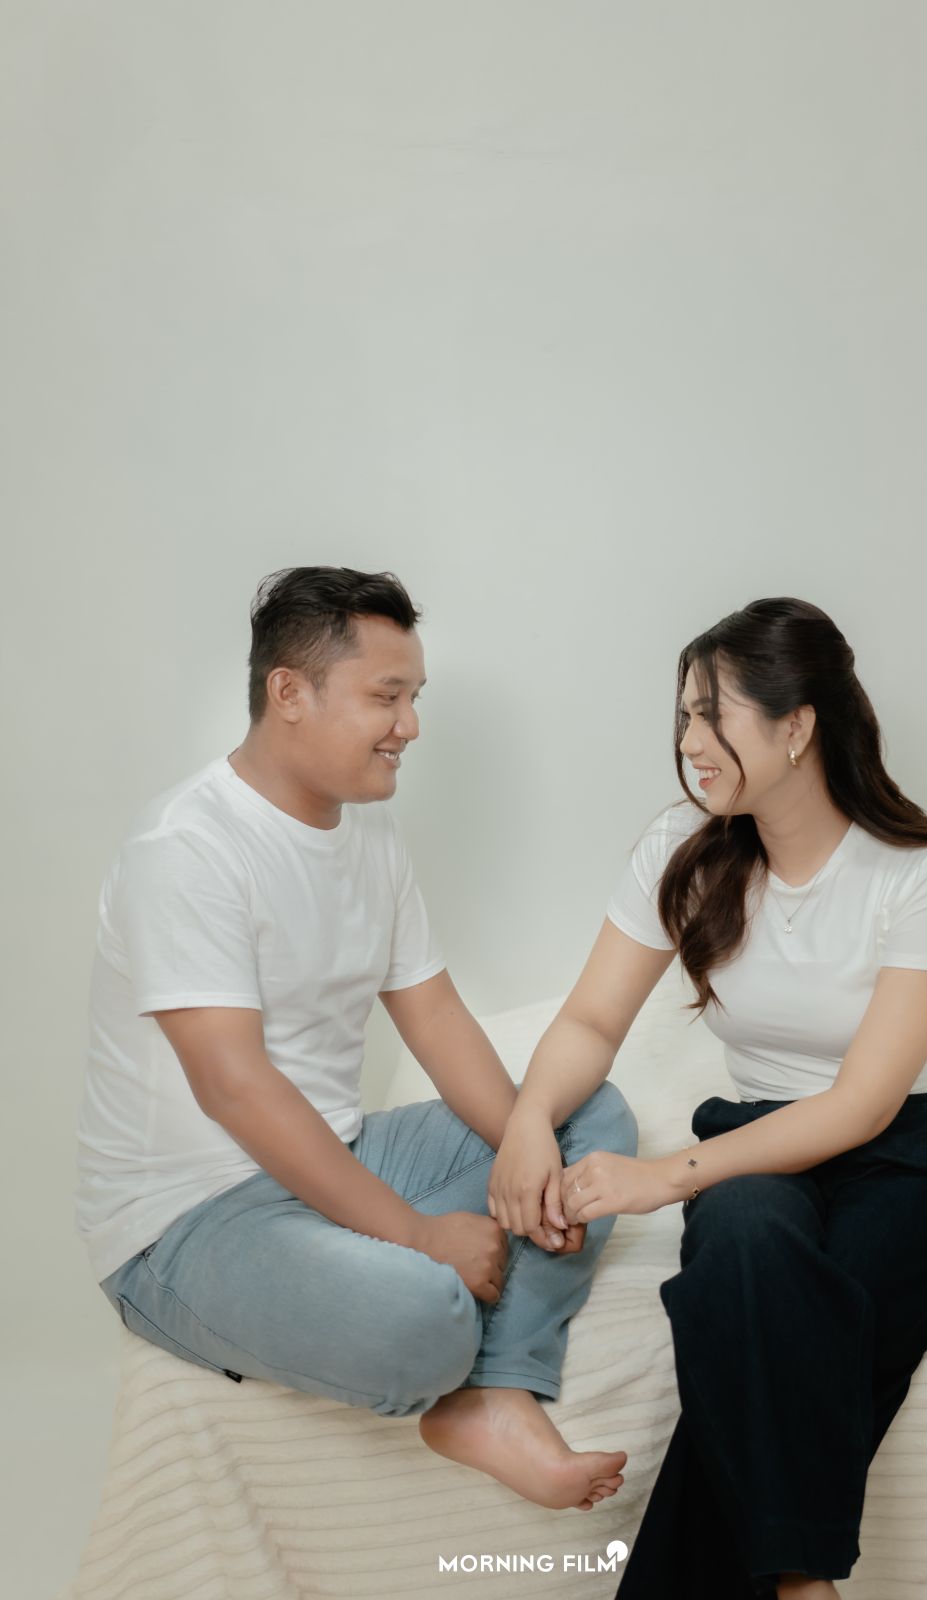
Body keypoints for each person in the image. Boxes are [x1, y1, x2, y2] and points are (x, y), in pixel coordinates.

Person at [74, 564, 638, 1512]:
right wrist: (417, 1236)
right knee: (423, 1316)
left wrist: (524, 1144)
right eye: (386, 696)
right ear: (288, 693)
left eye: (414, 697)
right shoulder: (185, 849)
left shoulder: (371, 836)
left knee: (588, 1118)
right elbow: (234, 1086)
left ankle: (496, 1391)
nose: (409, 726)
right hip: (187, 1220)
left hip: (337, 1153)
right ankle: (437, 1327)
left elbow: (436, 1018)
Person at [488, 596, 927, 1597]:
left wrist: (658, 1178)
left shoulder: (921, 875)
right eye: (683, 714)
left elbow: (860, 1107)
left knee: (792, 1335)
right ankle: (804, 1583)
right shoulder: (682, 848)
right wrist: (525, 1122)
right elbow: (590, 1020)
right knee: (743, 1242)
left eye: (710, 713)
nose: (689, 742)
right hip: (764, 1136)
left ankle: (797, 1580)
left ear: (796, 724)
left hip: (912, 1151)